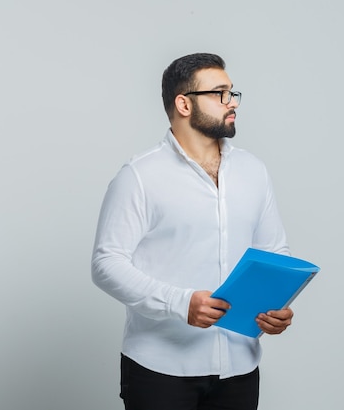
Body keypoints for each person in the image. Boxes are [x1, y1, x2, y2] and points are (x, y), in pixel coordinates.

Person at [91, 53, 294, 410]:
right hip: (160, 369)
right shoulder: (139, 176)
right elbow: (106, 263)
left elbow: (274, 251)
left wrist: (276, 306)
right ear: (183, 103)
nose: (232, 102)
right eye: (219, 93)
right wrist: (181, 303)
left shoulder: (253, 171)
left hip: (240, 366)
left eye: (232, 93)